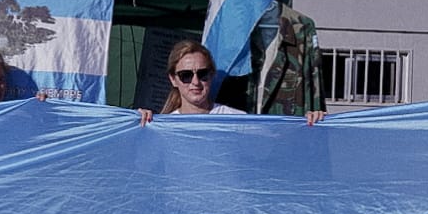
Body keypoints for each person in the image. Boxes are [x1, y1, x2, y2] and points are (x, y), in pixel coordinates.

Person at [138, 39, 325, 123]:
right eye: (186, 75)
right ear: (173, 79)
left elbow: (274, 142)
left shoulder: (234, 119)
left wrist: (307, 124)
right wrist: (137, 124)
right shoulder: (161, 126)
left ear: (211, 75)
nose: (195, 82)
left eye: (202, 74)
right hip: (179, 202)